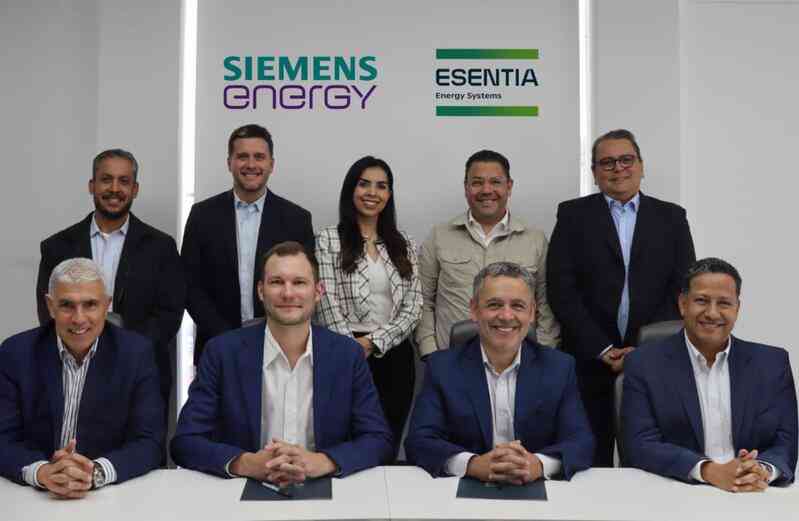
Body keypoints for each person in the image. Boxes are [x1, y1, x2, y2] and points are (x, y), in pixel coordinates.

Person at [171, 242, 393, 485]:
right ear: (261, 291)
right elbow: (186, 441)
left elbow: (378, 439)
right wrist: (246, 463)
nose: (288, 294)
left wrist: (323, 461)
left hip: (324, 486)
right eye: (277, 282)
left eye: (299, 282)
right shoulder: (222, 353)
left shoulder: (347, 355)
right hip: (243, 487)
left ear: (318, 291)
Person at [547, 129, 696, 466]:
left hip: (654, 360)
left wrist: (643, 348)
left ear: (641, 165)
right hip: (588, 360)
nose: (618, 168)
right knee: (588, 462)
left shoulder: (672, 217)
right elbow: (561, 288)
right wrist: (602, 348)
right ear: (594, 172)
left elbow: (683, 289)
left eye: (626, 160)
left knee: (650, 460)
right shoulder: (572, 215)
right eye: (607, 162)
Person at [405, 262, 594, 481]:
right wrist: (473, 464)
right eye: (494, 305)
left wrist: (538, 464)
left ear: (532, 313)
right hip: (464, 487)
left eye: (518, 306)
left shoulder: (559, 367)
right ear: (474, 310)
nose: (506, 315)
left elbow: (581, 442)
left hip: (537, 487)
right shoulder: (443, 367)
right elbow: (419, 441)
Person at [623, 257, 797, 490]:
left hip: (752, 492)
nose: (712, 313)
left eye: (724, 303)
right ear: (683, 304)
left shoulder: (772, 364)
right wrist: (708, 471)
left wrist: (760, 470)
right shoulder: (644, 363)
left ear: (737, 308)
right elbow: (640, 445)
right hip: (676, 491)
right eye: (702, 301)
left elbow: (786, 441)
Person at [36, 148, 184, 415]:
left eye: (123, 181)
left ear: (135, 189)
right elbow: (49, 312)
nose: (114, 189)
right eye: (106, 180)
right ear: (92, 186)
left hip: (140, 373)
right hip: (71, 371)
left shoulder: (161, 247)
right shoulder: (57, 247)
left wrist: (124, 352)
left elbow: (169, 315)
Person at [0, 258, 164, 496]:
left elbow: (150, 442)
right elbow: (3, 438)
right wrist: (42, 472)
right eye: (67, 305)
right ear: (50, 306)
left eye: (90, 305)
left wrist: (95, 472)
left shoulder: (136, 354)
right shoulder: (16, 353)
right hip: (34, 496)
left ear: (107, 305)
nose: (78, 318)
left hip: (109, 496)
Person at [314, 156, 421, 456]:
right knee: (345, 446)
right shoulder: (328, 239)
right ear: (351, 189)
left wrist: (374, 342)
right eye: (364, 184)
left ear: (389, 194)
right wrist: (352, 347)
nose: (372, 192)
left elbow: (414, 305)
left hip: (394, 355)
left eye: (381, 186)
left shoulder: (404, 242)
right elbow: (325, 300)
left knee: (387, 442)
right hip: (341, 352)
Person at [182, 124, 314, 363]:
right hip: (216, 346)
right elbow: (189, 285)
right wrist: (226, 337)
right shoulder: (202, 215)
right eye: (242, 156)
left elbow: (302, 286)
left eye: (259, 157)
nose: (251, 164)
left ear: (271, 164)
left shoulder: (297, 219)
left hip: (282, 347)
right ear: (229, 163)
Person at [416, 150, 560, 359]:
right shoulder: (439, 236)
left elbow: (546, 304)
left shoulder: (534, 239)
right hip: (451, 360)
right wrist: (431, 353)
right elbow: (423, 300)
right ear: (466, 187)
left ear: (509, 186)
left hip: (520, 361)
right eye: (477, 183)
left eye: (495, 182)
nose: (486, 190)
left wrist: (542, 355)